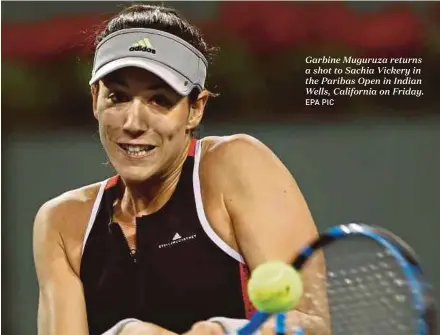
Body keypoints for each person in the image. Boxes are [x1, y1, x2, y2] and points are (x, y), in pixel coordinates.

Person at [33, 4, 329, 335]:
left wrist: (222, 331)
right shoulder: (61, 224)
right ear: (94, 100)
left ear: (195, 109)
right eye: (117, 97)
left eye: (160, 100)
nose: (133, 123)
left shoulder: (237, 165)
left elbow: (311, 324)